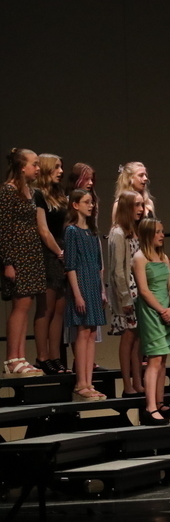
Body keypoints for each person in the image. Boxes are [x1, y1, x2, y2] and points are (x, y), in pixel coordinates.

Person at [1, 148, 46, 377]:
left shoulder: (29, 191)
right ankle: (11, 359)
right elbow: (4, 229)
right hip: (17, 256)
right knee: (19, 307)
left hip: (31, 255)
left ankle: (20, 357)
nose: (38, 168)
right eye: (34, 164)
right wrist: (8, 262)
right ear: (22, 167)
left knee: (26, 306)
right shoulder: (8, 191)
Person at [133, 219, 170, 426]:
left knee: (163, 359)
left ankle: (159, 402)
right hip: (151, 312)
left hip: (167, 310)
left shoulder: (163, 256)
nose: (162, 235)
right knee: (153, 359)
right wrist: (161, 310)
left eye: (162, 231)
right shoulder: (140, 258)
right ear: (148, 234)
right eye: (158, 232)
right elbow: (143, 290)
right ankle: (150, 407)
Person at [63, 189, 106, 400]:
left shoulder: (92, 232)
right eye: (87, 202)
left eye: (92, 203)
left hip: (93, 285)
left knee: (91, 333)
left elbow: (99, 265)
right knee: (81, 333)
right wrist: (77, 295)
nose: (91, 206)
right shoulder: (71, 231)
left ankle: (89, 383)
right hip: (80, 285)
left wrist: (102, 291)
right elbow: (70, 266)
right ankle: (80, 383)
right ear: (75, 205)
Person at [32, 153, 70, 375]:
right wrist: (59, 252)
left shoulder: (60, 194)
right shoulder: (38, 195)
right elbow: (43, 230)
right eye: (56, 167)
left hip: (63, 252)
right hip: (49, 254)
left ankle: (56, 357)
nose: (61, 171)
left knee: (59, 309)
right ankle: (42, 356)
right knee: (45, 308)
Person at [108, 190, 147, 395]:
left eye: (142, 205)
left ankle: (138, 381)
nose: (141, 210)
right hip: (127, 291)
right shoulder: (118, 233)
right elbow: (117, 270)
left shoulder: (136, 229)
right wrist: (124, 297)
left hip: (139, 288)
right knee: (129, 337)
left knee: (138, 338)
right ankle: (127, 384)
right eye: (137, 205)